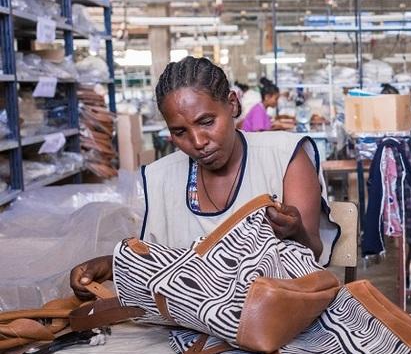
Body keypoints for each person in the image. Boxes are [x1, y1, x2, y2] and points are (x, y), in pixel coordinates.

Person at [70, 57, 339, 300]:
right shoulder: (161, 177)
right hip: (194, 321)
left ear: (232, 104)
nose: (197, 142)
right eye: (179, 132)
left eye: (207, 121)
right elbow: (160, 267)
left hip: (275, 314)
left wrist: (296, 232)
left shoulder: (284, 156)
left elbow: (312, 253)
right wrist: (113, 265)